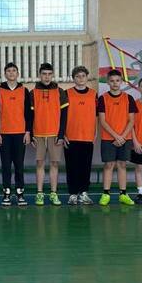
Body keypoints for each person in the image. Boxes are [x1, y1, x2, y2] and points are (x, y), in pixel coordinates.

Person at [29, 62, 68, 206]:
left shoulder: (60, 92)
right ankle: (39, 193)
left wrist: (61, 134)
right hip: (38, 134)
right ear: (40, 75)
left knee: (54, 164)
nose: (47, 77)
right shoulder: (33, 93)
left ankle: (53, 193)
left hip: (54, 134)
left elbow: (64, 115)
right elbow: (29, 116)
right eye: (44, 74)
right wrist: (31, 134)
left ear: (52, 75)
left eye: (49, 74)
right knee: (39, 163)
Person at [0, 62, 31, 206]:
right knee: (6, 165)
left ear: (17, 73)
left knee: (19, 165)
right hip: (4, 134)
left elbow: (28, 113)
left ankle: (20, 193)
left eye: (14, 70)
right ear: (5, 74)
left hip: (20, 133)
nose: (11, 73)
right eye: (8, 71)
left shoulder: (24, 90)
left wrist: (28, 132)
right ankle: (7, 193)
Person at [97, 69, 136, 206]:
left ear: (122, 82)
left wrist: (122, 137)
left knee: (122, 164)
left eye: (117, 81)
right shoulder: (102, 98)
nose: (115, 83)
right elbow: (102, 121)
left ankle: (123, 194)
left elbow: (131, 120)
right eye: (112, 81)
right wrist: (116, 136)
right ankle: (106, 194)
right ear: (108, 82)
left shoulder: (128, 98)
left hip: (125, 138)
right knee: (109, 165)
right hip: (108, 138)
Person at [63, 65, 97, 205]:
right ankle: (72, 194)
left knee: (85, 166)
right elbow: (61, 115)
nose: (81, 78)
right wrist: (63, 134)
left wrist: (95, 133)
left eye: (83, 76)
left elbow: (96, 116)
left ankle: (83, 193)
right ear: (73, 78)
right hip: (70, 136)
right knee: (71, 167)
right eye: (78, 76)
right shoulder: (67, 93)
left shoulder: (93, 94)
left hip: (87, 136)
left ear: (87, 77)